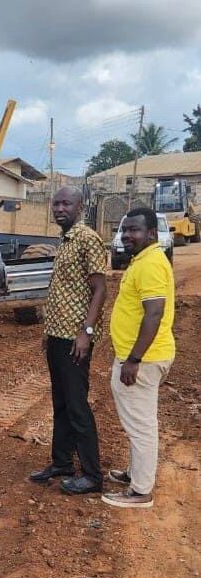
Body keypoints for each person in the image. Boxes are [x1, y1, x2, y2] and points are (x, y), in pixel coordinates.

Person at [29, 186, 107, 495]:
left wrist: (85, 332)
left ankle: (92, 474)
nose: (60, 208)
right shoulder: (66, 240)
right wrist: (49, 332)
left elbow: (100, 289)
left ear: (80, 206)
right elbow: (63, 291)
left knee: (77, 405)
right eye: (56, 203)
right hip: (58, 336)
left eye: (66, 203)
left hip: (76, 339)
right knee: (60, 402)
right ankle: (62, 462)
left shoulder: (87, 238)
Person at [103, 208, 175, 508]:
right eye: (125, 229)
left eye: (135, 230)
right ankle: (135, 473)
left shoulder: (151, 264)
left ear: (151, 234)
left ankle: (141, 491)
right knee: (139, 421)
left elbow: (154, 314)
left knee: (141, 425)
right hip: (143, 356)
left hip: (142, 360)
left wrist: (133, 359)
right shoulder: (144, 260)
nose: (128, 235)